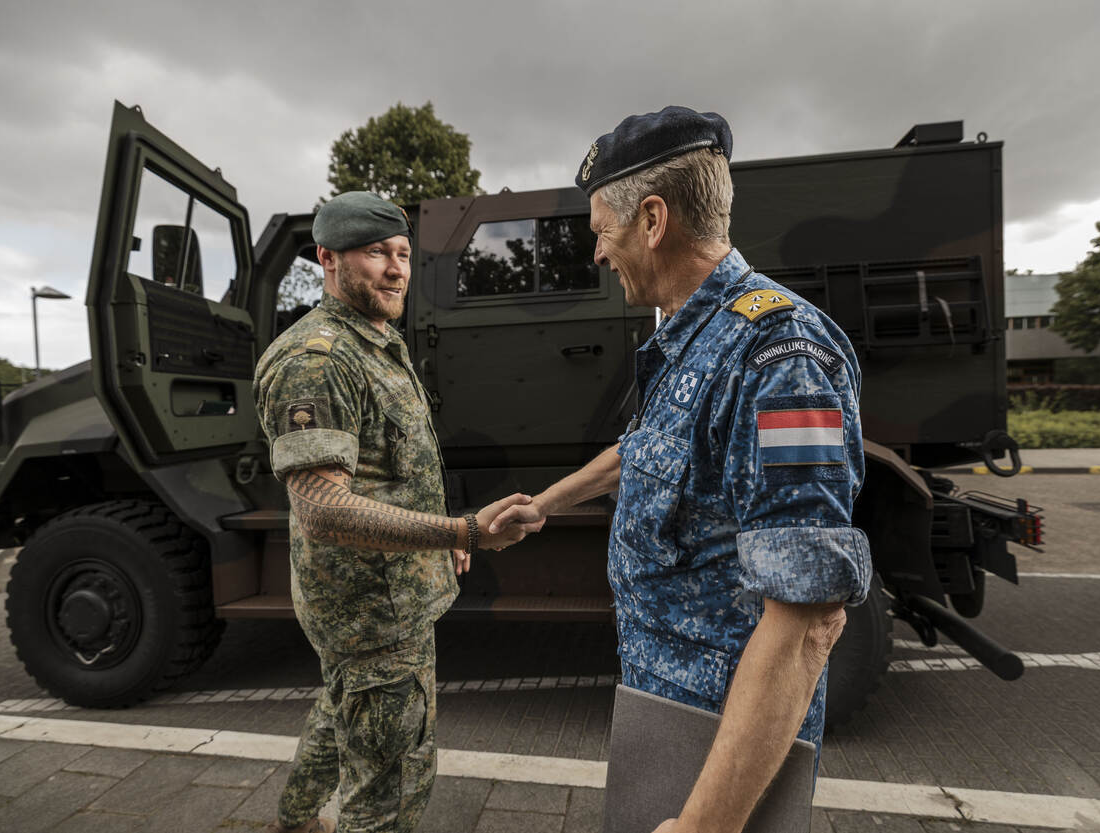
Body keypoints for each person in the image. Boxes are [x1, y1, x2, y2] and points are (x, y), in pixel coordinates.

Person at [492, 106, 872, 832]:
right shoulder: (691, 337)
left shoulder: (780, 357)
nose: (599, 255)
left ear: (653, 221)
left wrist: (707, 823)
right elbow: (646, 448)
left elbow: (810, 620)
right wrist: (546, 504)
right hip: (663, 719)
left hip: (720, 749)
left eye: (602, 231)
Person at [254, 191, 539, 833]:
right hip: (372, 613)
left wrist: (439, 540)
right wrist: (462, 530)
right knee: (390, 793)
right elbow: (323, 508)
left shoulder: (376, 338)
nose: (396, 268)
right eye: (376, 252)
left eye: (403, 254)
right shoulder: (317, 361)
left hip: (381, 600)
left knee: (340, 708)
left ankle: (295, 820)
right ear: (326, 257)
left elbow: (393, 469)